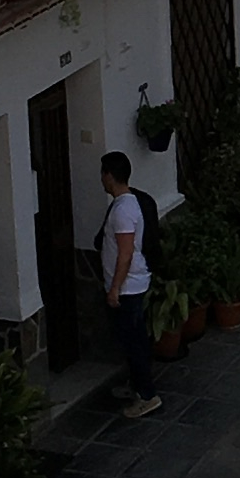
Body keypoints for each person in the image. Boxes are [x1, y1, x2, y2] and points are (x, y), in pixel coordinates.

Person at [97, 151, 160, 418]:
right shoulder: (128, 203)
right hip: (131, 284)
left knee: (134, 343)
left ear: (110, 176)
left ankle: (146, 395)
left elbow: (125, 254)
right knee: (133, 339)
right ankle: (136, 385)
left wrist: (115, 288)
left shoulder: (123, 210)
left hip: (128, 288)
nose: (101, 179)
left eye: (103, 173)